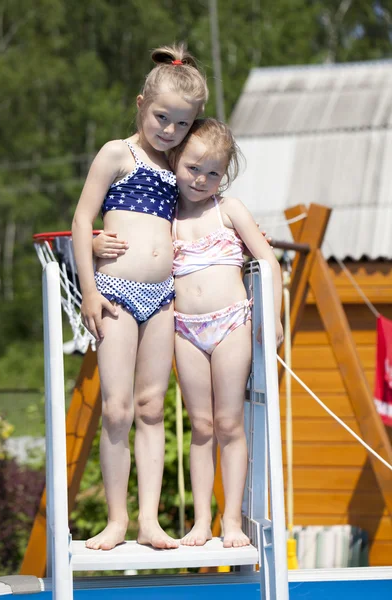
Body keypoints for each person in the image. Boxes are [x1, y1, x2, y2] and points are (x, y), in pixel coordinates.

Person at [93, 118, 283, 549]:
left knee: (229, 422)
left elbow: (268, 262)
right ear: (177, 161)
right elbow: (135, 239)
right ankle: (201, 522)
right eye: (193, 168)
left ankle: (230, 519)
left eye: (213, 172)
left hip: (232, 322)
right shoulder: (169, 214)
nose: (201, 179)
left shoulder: (228, 209)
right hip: (186, 329)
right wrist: (89, 242)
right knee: (201, 425)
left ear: (225, 175)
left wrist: (273, 319)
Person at [71, 44, 208, 551]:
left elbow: (207, 203)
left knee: (153, 407)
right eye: (161, 117)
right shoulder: (117, 153)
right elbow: (82, 218)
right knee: (117, 408)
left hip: (163, 296)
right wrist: (87, 280)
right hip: (115, 293)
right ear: (139, 104)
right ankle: (116, 520)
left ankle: (150, 521)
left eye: (181, 124)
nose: (169, 130)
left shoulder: (181, 167)